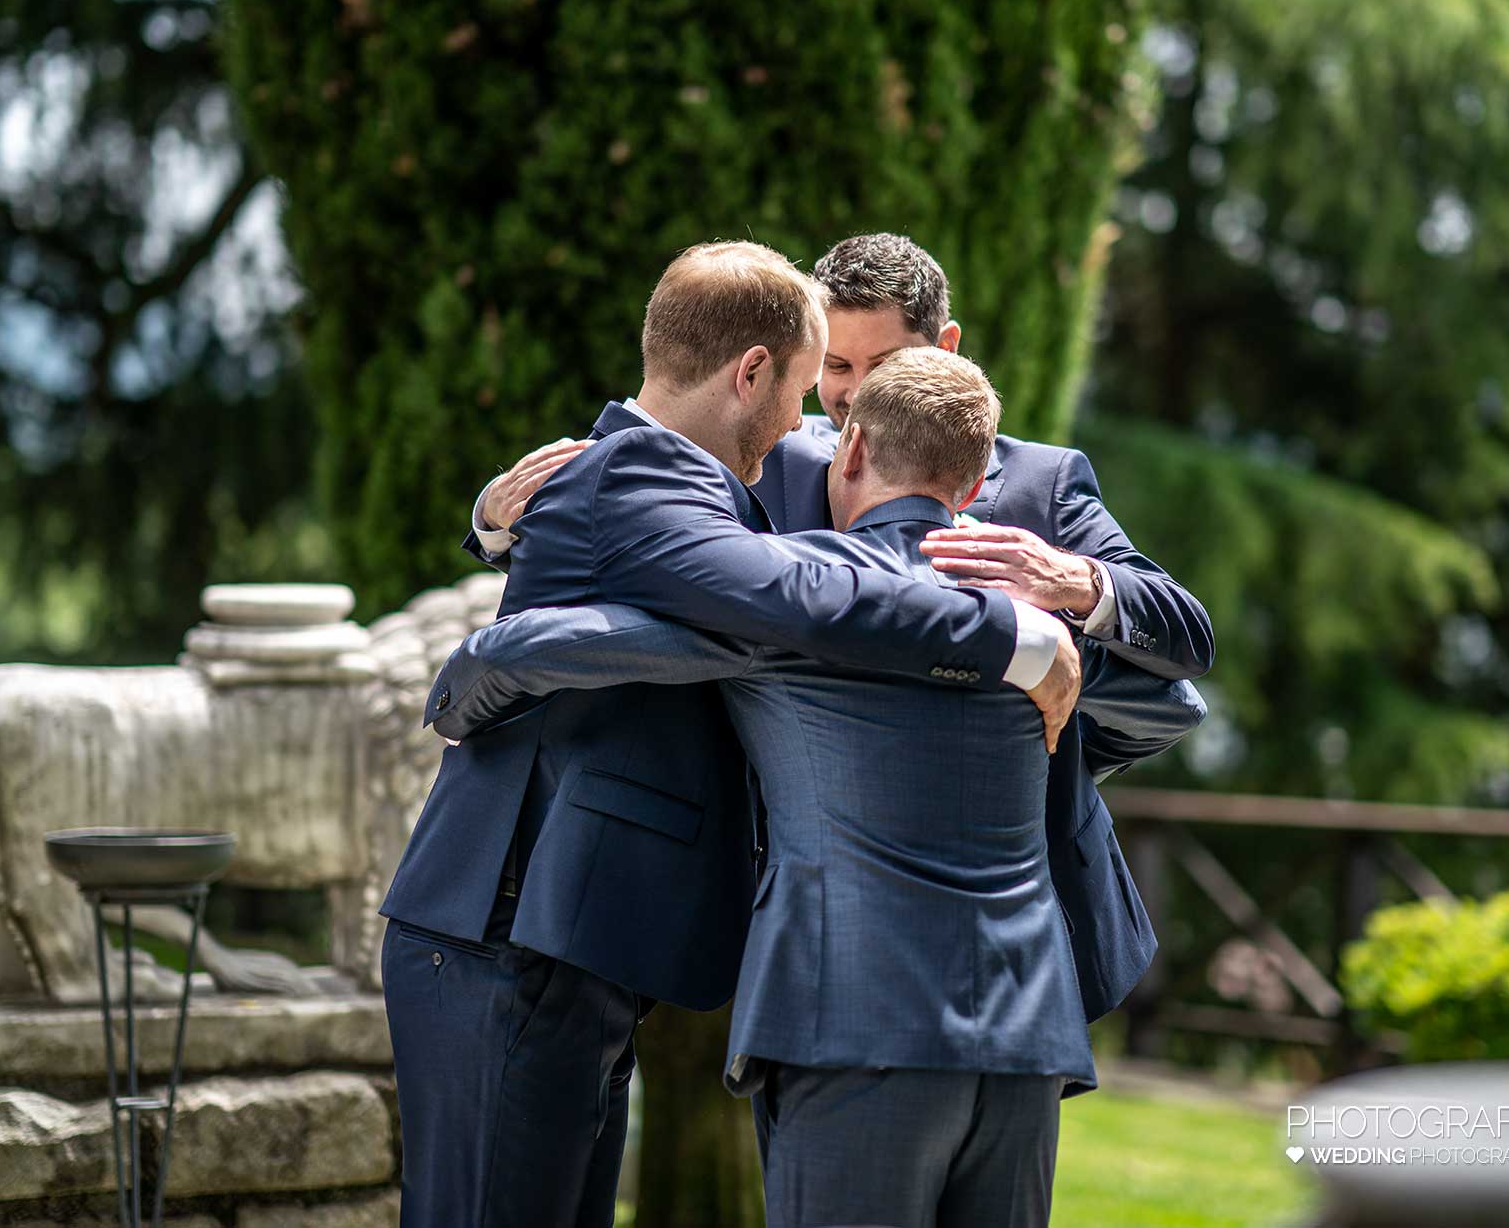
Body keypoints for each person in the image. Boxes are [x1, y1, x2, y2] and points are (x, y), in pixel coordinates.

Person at [379, 241, 1083, 1228]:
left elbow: (686, 623)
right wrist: (1011, 631)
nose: (807, 423)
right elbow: (786, 599)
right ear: (749, 371)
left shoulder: (673, 484)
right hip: (504, 930)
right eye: (803, 388)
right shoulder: (645, 473)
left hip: (562, 943)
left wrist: (503, 631)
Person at [476, 231, 1215, 1023]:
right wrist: (493, 526)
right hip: (798, 899)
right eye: (835, 367)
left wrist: (1075, 585)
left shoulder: (1042, 485)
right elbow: (632, 522)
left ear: (948, 348)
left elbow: (1184, 638)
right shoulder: (767, 457)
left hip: (1014, 907)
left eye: (884, 365)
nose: (855, 395)